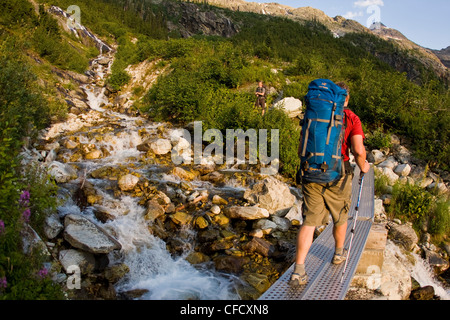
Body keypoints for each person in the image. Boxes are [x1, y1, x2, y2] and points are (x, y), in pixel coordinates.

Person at [290, 82, 371, 286]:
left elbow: (302, 144)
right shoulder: (351, 117)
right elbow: (358, 150)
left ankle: (298, 271)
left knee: (309, 222)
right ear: (346, 98)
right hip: (338, 174)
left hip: (311, 171)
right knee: (340, 216)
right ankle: (337, 253)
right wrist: (364, 166)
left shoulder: (313, 113)